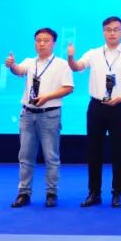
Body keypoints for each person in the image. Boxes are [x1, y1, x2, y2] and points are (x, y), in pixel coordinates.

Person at [67, 16, 121, 208]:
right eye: (108, 29)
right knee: (94, 151)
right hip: (96, 107)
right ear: (103, 32)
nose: (112, 33)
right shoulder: (93, 53)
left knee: (119, 152)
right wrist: (70, 57)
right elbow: (77, 67)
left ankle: (117, 193)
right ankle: (94, 192)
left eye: (116, 29)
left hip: (118, 107)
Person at [5, 27, 74, 208]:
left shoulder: (62, 64)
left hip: (49, 114)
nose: (41, 44)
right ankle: (24, 193)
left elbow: (68, 88)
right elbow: (18, 70)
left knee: (51, 157)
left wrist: (47, 97)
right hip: (27, 114)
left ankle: (51, 193)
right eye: (38, 40)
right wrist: (11, 65)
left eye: (46, 40)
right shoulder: (30, 62)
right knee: (25, 156)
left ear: (53, 43)